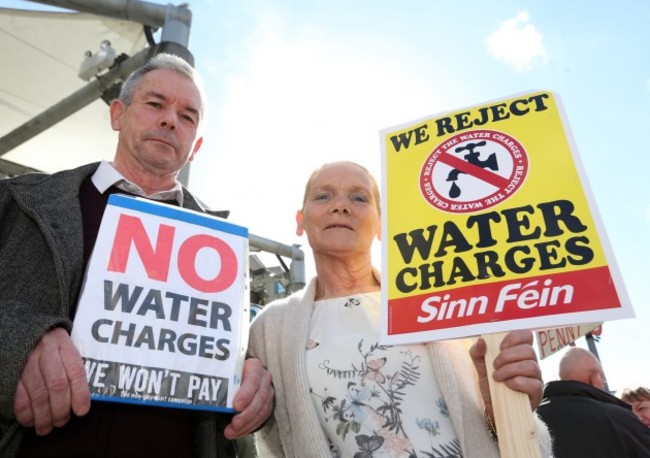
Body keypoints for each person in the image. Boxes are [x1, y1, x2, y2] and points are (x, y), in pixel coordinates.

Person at [0, 53, 273, 457]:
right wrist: (15, 339)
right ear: (117, 114)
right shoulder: (17, 202)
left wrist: (251, 385)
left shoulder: (224, 251)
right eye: (155, 104)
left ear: (195, 147)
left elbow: (233, 363)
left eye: (188, 116)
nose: (169, 121)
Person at [248, 161, 553, 457]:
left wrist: (505, 407)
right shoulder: (270, 328)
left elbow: (499, 429)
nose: (341, 206)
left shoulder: (440, 303)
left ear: (381, 224)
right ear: (300, 221)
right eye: (323, 196)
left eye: (358, 197)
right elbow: (272, 439)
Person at [536, 347, 650, 457]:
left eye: (642, 408)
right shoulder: (617, 418)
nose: (638, 418)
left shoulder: (534, 420)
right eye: (602, 380)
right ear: (593, 377)